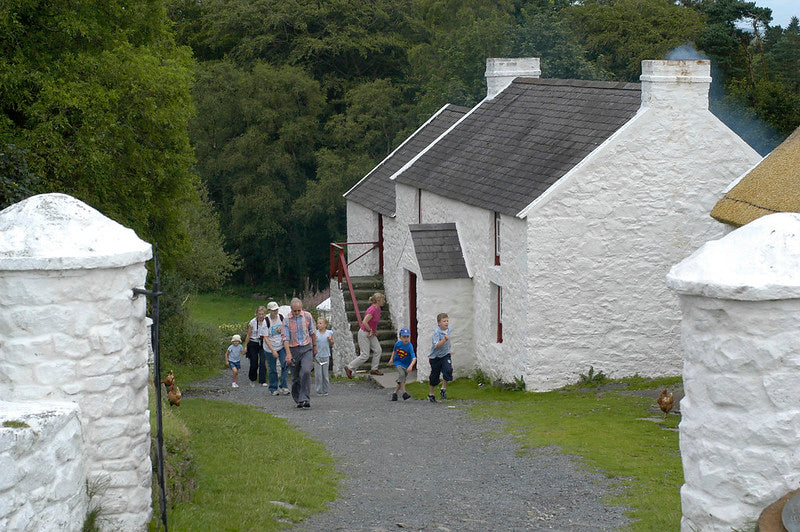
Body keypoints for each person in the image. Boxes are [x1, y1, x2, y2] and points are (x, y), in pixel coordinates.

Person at [284, 298, 317, 409]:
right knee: (296, 377)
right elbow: (285, 339)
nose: (297, 313)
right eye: (295, 311)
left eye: (299, 310)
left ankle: (305, 398)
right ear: (291, 309)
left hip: (306, 348)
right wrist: (288, 354)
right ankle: (298, 399)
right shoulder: (287, 320)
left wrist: (315, 347)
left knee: (306, 371)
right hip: (293, 349)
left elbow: (313, 333)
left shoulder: (307, 316)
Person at [344, 292, 386, 378]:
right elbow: (364, 322)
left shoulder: (378, 309)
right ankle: (349, 367)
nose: (384, 301)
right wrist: (370, 330)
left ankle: (374, 369)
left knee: (378, 350)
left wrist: (374, 330)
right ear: (378, 301)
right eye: (383, 300)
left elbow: (373, 322)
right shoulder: (372, 310)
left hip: (371, 333)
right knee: (365, 355)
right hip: (364, 333)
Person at [264, 301, 290, 396]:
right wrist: (273, 350)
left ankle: (284, 386)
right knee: (273, 368)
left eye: (276, 310)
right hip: (269, 347)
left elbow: (284, 330)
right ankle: (273, 387)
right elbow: (265, 338)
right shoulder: (266, 321)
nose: (275, 312)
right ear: (269, 310)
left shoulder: (281, 318)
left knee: (285, 364)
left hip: (281, 345)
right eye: (273, 310)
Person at [428, 313, 452, 402]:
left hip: (446, 354)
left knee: (448, 370)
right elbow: (436, 345)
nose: (446, 323)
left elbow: (448, 338)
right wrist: (445, 340)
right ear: (439, 323)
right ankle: (431, 394)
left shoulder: (449, 329)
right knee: (434, 375)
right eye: (444, 321)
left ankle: (443, 389)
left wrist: (448, 343)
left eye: (447, 321)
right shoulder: (436, 333)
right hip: (436, 357)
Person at [389, 327, 416, 401]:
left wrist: (410, 366)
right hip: (398, 362)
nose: (406, 339)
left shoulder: (410, 346)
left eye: (407, 337)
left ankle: (395, 393)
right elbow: (394, 351)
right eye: (404, 337)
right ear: (400, 337)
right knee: (402, 375)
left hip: (406, 364)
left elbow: (414, 358)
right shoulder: (398, 344)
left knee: (402, 379)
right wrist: (391, 359)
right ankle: (404, 393)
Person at [245, 306, 269, 387]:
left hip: (263, 342)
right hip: (253, 342)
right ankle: (252, 378)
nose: (261, 316)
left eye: (262, 314)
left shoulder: (267, 322)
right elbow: (248, 334)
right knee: (254, 361)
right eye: (259, 314)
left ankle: (263, 380)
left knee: (262, 361)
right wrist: (245, 346)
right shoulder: (252, 322)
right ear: (256, 314)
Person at [314, 317, 334, 395]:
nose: (318, 325)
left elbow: (332, 343)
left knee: (325, 374)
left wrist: (331, 340)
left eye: (320, 323)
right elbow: (313, 343)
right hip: (317, 356)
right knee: (318, 375)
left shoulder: (329, 332)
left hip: (326, 355)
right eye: (318, 323)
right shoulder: (315, 333)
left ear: (325, 325)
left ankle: (325, 390)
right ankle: (319, 390)